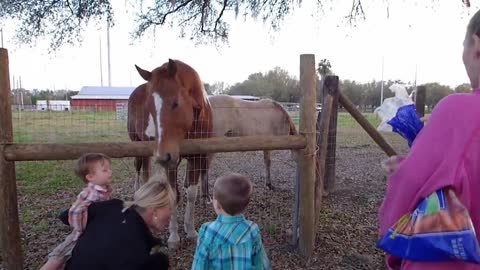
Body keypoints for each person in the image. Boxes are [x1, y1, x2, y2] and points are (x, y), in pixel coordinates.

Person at [379, 9, 480, 270]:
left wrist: (401, 171)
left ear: (476, 45)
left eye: (463, 44)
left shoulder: (459, 112)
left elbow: (409, 185)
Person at [63, 176, 174, 270]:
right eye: (169, 208)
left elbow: (64, 216)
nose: (171, 213)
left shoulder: (112, 205)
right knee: (160, 261)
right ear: (154, 211)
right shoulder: (139, 250)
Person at [41, 153, 114, 270]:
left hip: (92, 229)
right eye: (105, 170)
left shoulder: (103, 189)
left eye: (109, 168)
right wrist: (80, 229)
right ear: (90, 177)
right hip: (80, 233)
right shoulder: (91, 193)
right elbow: (75, 211)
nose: (110, 172)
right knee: (60, 255)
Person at [192, 173, 271, 270]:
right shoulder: (252, 230)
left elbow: (200, 264)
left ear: (217, 204)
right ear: (246, 206)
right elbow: (261, 264)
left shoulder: (207, 231)